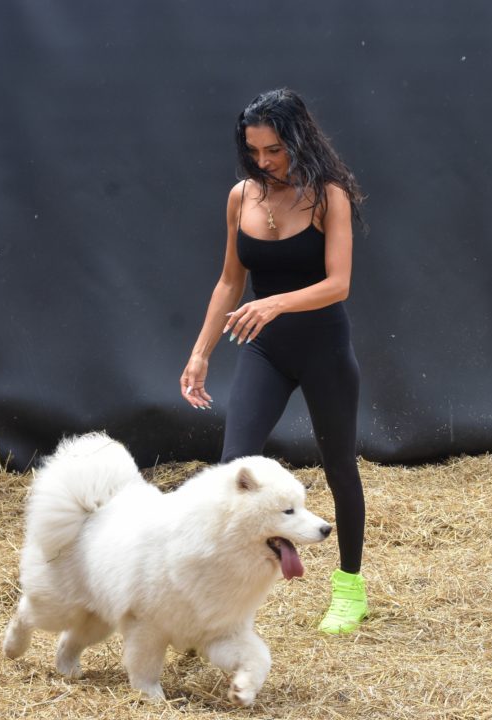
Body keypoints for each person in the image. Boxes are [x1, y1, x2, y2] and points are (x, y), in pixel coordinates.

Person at [179, 88, 368, 635]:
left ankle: (349, 589)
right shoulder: (242, 195)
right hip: (266, 351)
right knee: (234, 467)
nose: (264, 162)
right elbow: (229, 282)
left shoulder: (327, 196)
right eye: (254, 151)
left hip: (322, 348)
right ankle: (219, 592)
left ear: (299, 140)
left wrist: (274, 301)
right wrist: (199, 355)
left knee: (339, 469)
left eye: (275, 151)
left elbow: (339, 284)